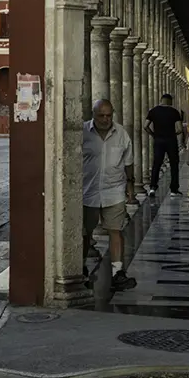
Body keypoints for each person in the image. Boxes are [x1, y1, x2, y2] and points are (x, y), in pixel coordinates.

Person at [82, 99, 137, 291]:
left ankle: (118, 273)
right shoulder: (82, 133)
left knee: (116, 230)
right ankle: (80, 271)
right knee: (84, 234)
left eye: (109, 115)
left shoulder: (121, 134)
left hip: (114, 190)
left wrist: (130, 186)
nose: (105, 119)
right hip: (87, 191)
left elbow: (128, 161)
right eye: (101, 115)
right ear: (93, 114)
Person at [144, 92, 184, 197]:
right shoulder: (174, 112)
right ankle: (174, 189)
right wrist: (173, 134)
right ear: (170, 101)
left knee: (156, 163)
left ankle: (152, 187)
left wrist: (153, 135)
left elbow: (145, 126)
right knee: (174, 164)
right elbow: (180, 129)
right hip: (171, 140)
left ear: (161, 100)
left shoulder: (153, 111)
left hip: (158, 140)